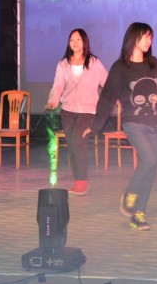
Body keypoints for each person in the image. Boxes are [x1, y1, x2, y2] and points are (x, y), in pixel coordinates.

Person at [83, 22, 157, 231]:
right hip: (134, 123)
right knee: (149, 160)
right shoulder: (120, 67)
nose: (149, 40)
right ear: (133, 38)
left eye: (151, 37)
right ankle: (130, 192)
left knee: (150, 168)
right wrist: (96, 125)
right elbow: (107, 98)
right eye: (145, 36)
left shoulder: (154, 64)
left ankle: (139, 214)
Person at [45, 28, 109, 195]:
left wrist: (118, 98)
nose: (75, 42)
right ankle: (78, 180)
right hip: (68, 111)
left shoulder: (94, 62)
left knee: (77, 140)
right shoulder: (63, 63)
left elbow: (108, 83)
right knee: (72, 145)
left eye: (78, 39)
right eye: (72, 40)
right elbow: (58, 85)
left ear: (84, 42)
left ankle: (82, 181)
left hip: (88, 111)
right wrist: (53, 101)